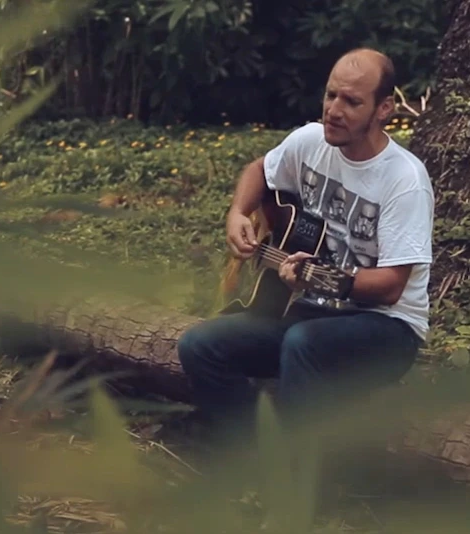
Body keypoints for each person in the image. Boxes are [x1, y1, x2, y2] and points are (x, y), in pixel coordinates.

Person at [173, 48, 435, 455]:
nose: (334, 110)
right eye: (331, 96)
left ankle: (297, 486)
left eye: (351, 102)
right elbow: (260, 169)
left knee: (302, 342)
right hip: (307, 309)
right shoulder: (310, 142)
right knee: (201, 345)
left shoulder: (404, 180)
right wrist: (238, 212)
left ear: (384, 109)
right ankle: (254, 458)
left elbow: (389, 288)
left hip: (386, 329)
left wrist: (318, 275)